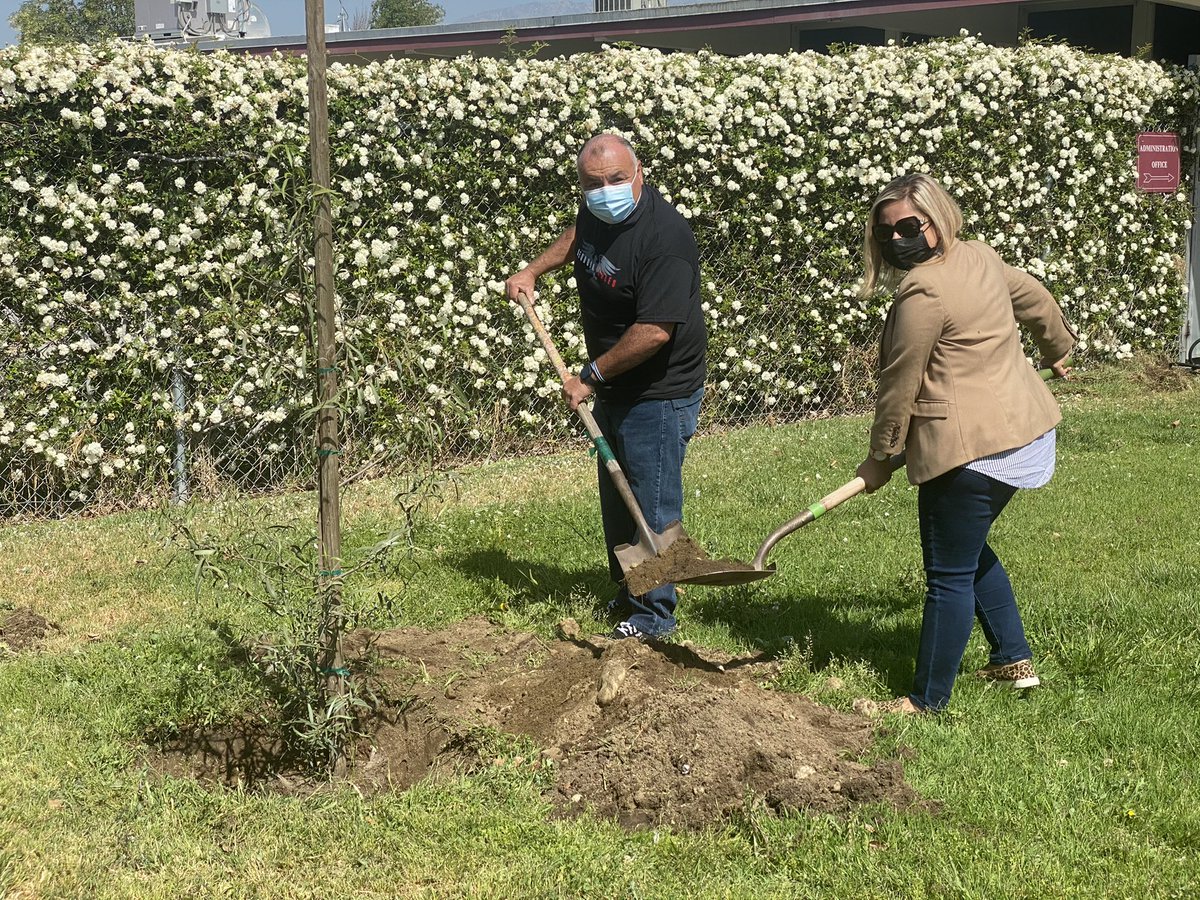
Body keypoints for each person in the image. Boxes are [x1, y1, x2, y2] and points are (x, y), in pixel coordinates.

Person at [852, 173, 1075, 715]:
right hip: (1024, 433)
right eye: (886, 234)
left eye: (909, 226)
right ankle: (1011, 660)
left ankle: (925, 701)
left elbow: (900, 383)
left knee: (947, 575)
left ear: (937, 219)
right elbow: (1037, 300)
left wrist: (880, 457)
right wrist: (1058, 348)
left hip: (970, 449)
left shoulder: (923, 292)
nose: (897, 239)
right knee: (966, 549)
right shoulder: (979, 257)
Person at [505, 133, 708, 640]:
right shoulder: (599, 209)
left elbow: (655, 331)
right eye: (593, 183)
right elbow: (580, 236)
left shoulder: (667, 240)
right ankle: (629, 591)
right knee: (617, 497)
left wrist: (589, 377)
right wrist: (534, 269)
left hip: (657, 390)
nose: (606, 191)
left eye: (617, 180)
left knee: (651, 505)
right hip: (616, 385)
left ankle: (655, 615)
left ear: (639, 174)